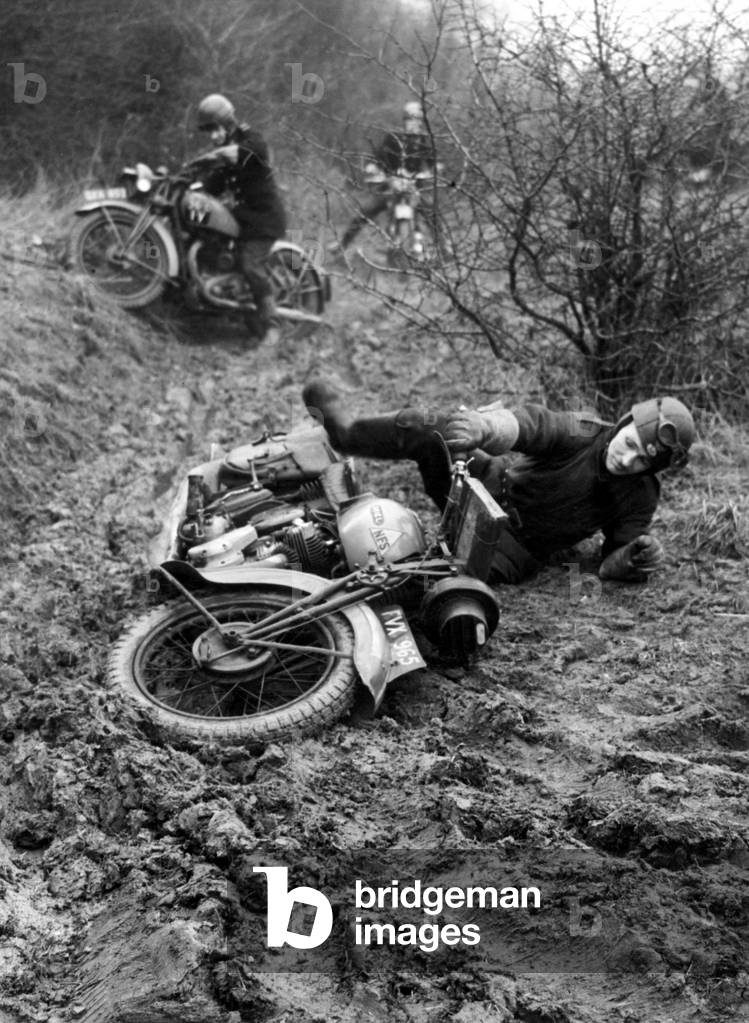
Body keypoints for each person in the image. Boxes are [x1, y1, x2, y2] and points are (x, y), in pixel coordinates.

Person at [302, 380, 696, 584]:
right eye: (630, 443)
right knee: (431, 426)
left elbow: (614, 557)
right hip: (482, 484)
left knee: (438, 575)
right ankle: (345, 434)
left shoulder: (640, 494)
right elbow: (530, 425)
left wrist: (634, 558)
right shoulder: (584, 432)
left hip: (512, 548)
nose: (627, 459)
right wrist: (484, 426)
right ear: (626, 423)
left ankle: (332, 570)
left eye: (642, 460)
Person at [194, 93, 287, 340]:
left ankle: (272, 327)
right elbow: (211, 187)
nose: (213, 136)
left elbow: (240, 154)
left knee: (250, 264)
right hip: (243, 221)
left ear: (228, 123)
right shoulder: (224, 155)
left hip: (264, 220)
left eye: (215, 129)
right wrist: (190, 185)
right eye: (208, 131)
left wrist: (207, 159)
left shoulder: (252, 140)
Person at [332, 100, 437, 252]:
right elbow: (378, 157)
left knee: (433, 215)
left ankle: (445, 249)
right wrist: (375, 169)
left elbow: (432, 164)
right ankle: (342, 245)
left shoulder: (424, 142)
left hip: (414, 191)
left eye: (417, 121)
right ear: (405, 120)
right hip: (390, 188)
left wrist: (432, 173)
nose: (414, 125)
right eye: (410, 120)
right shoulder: (394, 137)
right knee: (365, 212)